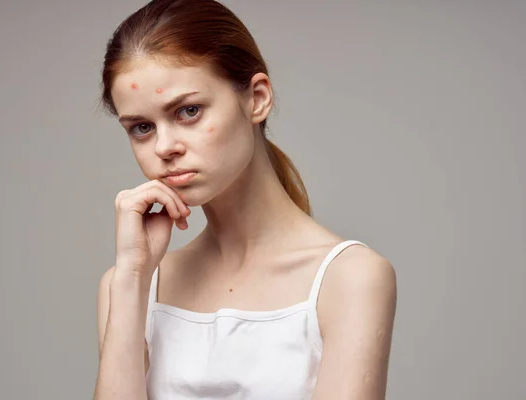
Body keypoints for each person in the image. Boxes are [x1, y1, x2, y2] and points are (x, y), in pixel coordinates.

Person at [93, 0, 397, 399]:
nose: (164, 147)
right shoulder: (129, 284)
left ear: (257, 98)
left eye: (188, 111)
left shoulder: (350, 278)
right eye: (142, 128)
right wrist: (132, 278)